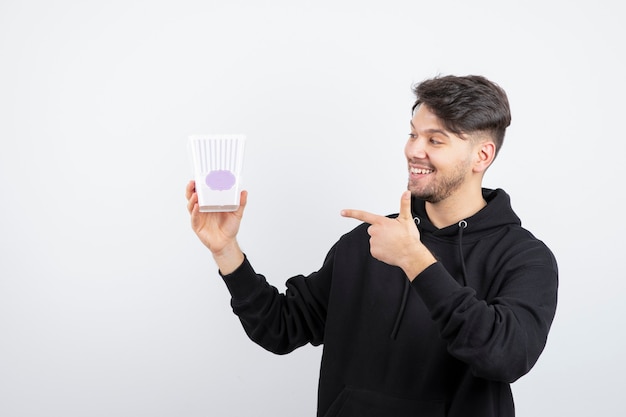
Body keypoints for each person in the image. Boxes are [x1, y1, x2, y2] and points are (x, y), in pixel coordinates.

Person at [185, 74, 558, 417]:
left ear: (482, 156)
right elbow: (282, 328)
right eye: (413, 134)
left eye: (435, 140)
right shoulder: (366, 243)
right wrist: (226, 251)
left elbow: (506, 357)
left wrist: (416, 262)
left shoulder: (524, 258)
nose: (415, 150)